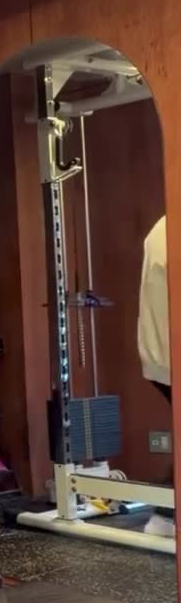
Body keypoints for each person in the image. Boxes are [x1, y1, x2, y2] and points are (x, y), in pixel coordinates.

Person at [137, 215, 174, 538]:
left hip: (160, 356)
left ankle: (164, 516)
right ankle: (164, 516)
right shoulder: (170, 226)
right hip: (169, 355)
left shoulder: (164, 225)